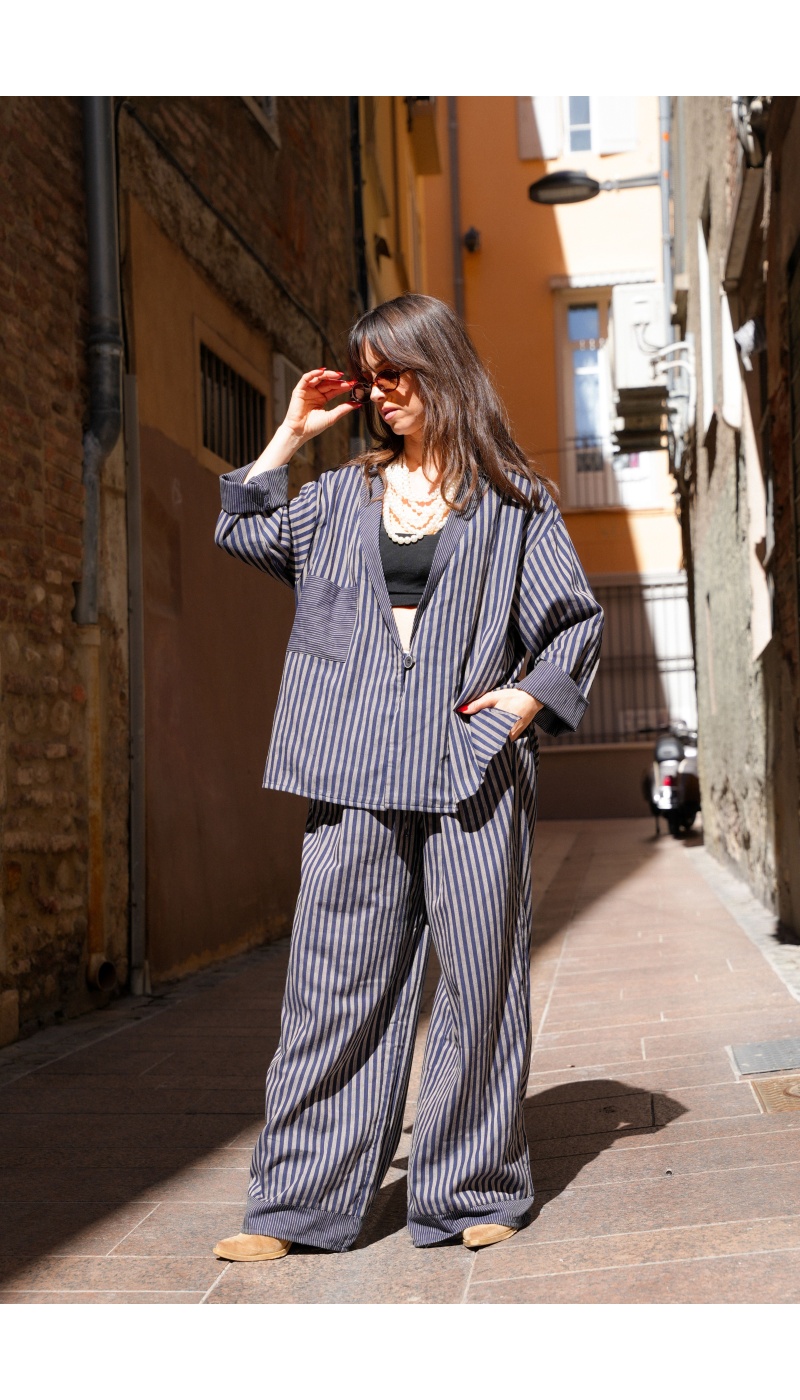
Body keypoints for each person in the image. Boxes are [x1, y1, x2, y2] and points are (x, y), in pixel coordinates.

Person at [211, 294, 603, 1261]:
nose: (384, 396)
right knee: (332, 985)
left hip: (472, 773)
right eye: (370, 378)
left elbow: (574, 621)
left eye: (398, 375)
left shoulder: (514, 497)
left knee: (479, 981)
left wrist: (521, 705)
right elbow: (247, 534)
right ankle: (298, 1202)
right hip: (352, 770)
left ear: (443, 370)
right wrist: (289, 433)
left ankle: (472, 1184)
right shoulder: (340, 496)